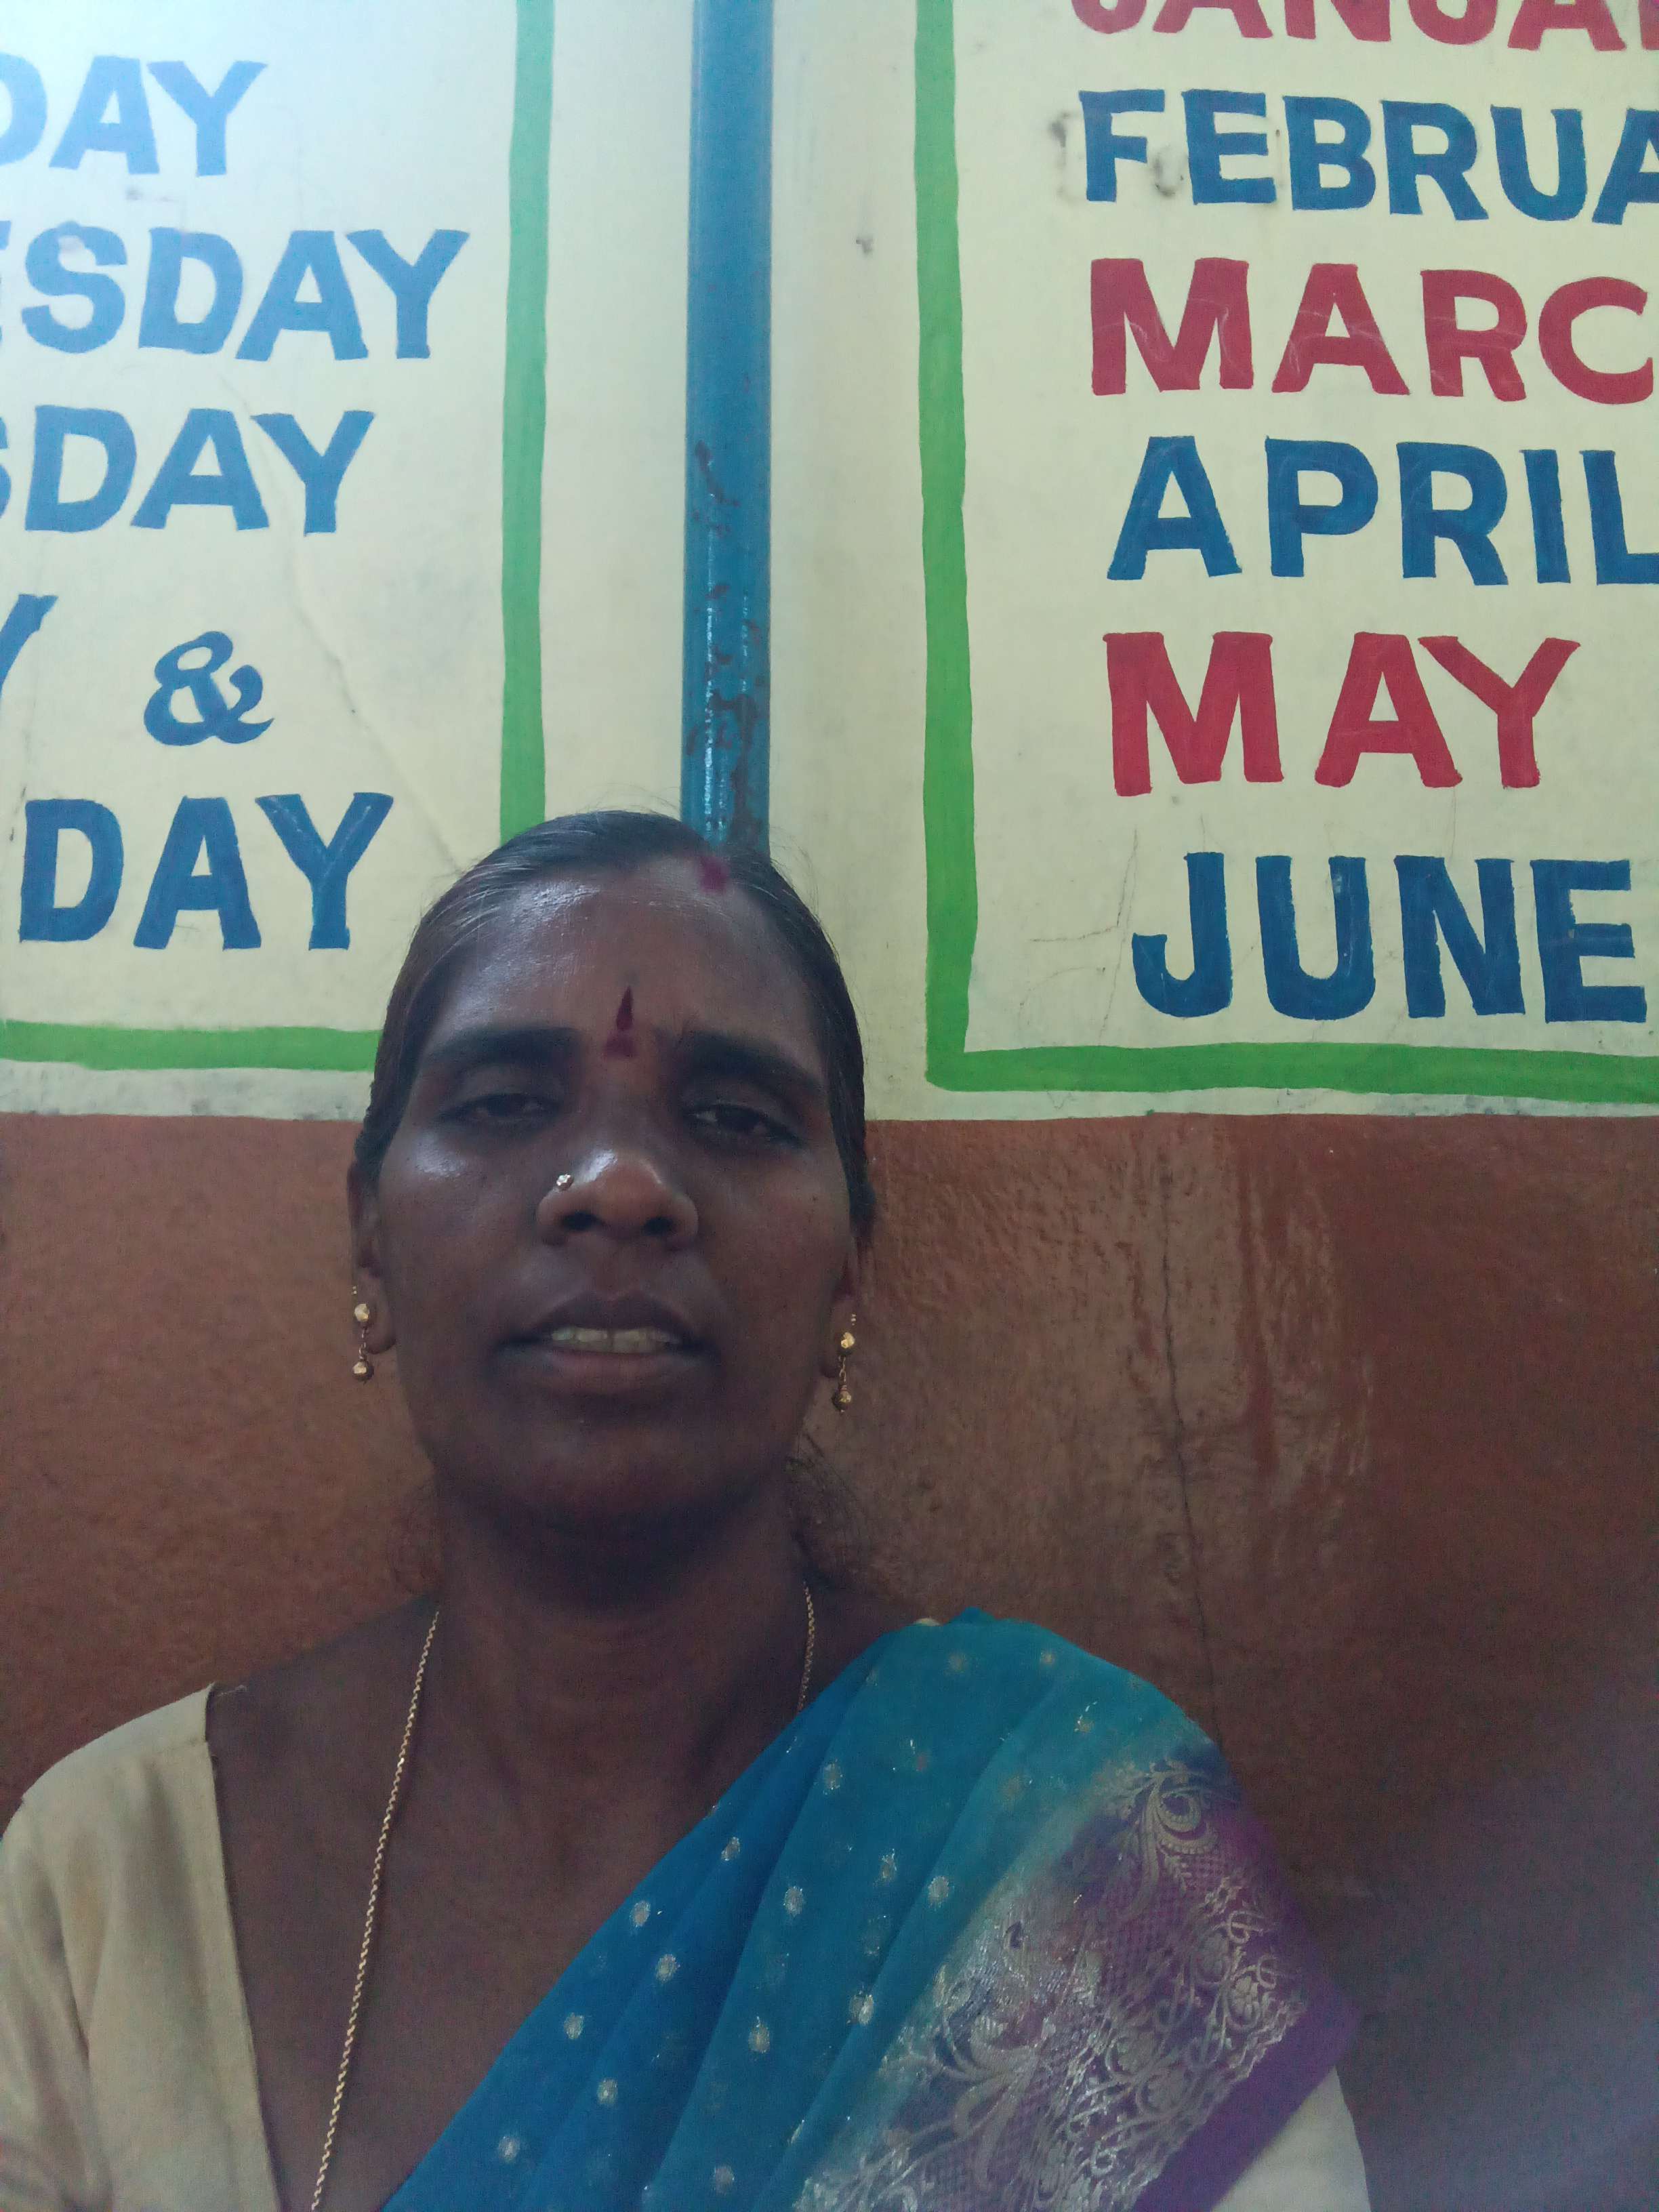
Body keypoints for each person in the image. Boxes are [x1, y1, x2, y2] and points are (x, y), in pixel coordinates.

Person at [0, 811, 1370, 2212]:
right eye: (503, 1104)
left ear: (848, 1270)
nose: (619, 1188)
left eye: (734, 1119)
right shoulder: (107, 1884)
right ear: (370, 1234)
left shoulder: (1078, 1860)